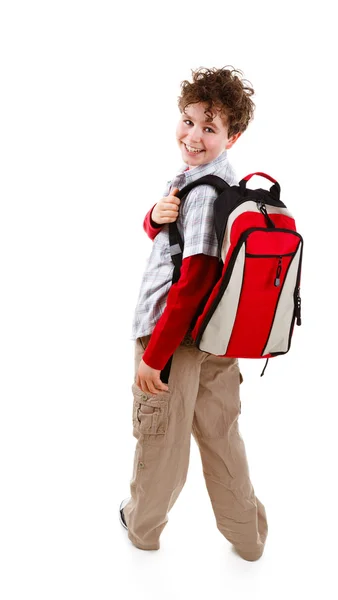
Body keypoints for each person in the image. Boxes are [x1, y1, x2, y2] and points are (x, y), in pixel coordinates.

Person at [119, 66, 268, 562]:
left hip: (174, 338)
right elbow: (178, 243)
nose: (194, 136)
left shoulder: (201, 193)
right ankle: (248, 537)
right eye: (189, 121)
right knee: (222, 438)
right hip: (215, 339)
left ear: (233, 135)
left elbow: (194, 279)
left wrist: (154, 356)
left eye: (210, 127)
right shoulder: (221, 184)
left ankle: (141, 530)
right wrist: (153, 216)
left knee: (160, 441)